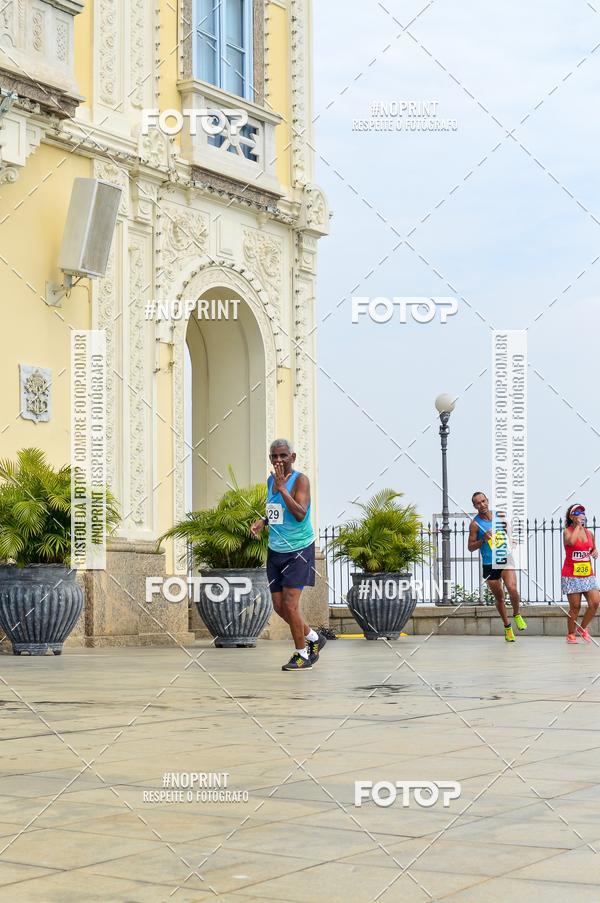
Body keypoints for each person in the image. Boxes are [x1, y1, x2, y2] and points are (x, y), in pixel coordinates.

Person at [250, 439, 327, 671]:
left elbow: (301, 514)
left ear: (292, 457)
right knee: (279, 606)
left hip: (298, 550)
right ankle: (314, 637)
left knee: (291, 605)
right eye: (274, 456)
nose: (278, 460)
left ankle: (302, 654)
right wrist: (263, 522)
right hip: (276, 550)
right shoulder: (270, 481)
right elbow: (277, 511)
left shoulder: (300, 480)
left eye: (283, 455)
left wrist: (284, 489)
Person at [468, 491, 527, 642]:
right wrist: (483, 540)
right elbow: (470, 547)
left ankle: (517, 614)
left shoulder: (499, 516)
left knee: (512, 588)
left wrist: (511, 541)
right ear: (474, 506)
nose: (482, 505)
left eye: (483, 501)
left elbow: (508, 532)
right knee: (499, 597)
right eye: (478, 503)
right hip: (489, 564)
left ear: (487, 500)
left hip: (505, 558)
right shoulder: (475, 524)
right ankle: (507, 628)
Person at [561, 503, 600, 643]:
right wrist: (578, 526)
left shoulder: (590, 533)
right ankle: (571, 634)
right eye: (577, 513)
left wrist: (594, 552)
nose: (581, 515)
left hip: (587, 574)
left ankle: (582, 628)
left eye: (582, 512)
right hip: (571, 575)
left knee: (595, 602)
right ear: (571, 516)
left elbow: (592, 549)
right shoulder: (567, 532)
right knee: (575, 607)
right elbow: (571, 543)